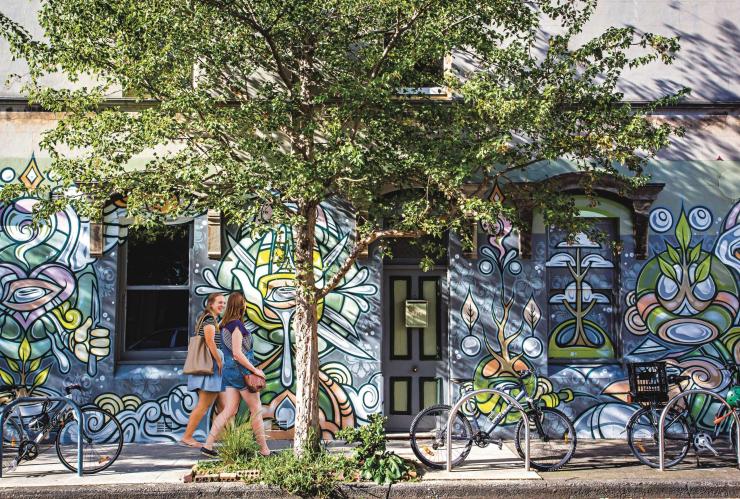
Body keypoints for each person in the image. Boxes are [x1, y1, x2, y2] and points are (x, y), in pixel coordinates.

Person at [202, 291, 270, 457]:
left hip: (229, 373)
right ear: (241, 306)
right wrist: (255, 371)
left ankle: (208, 445)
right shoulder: (237, 326)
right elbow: (238, 354)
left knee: (230, 410)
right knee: (256, 409)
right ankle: (264, 450)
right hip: (241, 372)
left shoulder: (225, 325)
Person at [179, 292, 226, 448]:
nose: (222, 305)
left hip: (212, 369)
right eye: (219, 302)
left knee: (225, 406)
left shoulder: (210, 319)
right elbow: (210, 342)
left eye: (224, 303)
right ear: (210, 304)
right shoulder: (208, 319)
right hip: (210, 368)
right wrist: (219, 361)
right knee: (204, 405)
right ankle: (187, 436)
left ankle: (227, 438)